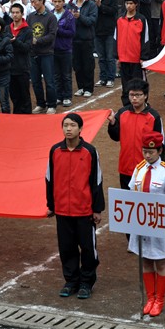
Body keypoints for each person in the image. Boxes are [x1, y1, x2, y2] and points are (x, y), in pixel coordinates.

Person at [46, 113, 104, 300]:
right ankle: (71, 281)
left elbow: (97, 181)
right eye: (65, 125)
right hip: (62, 210)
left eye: (72, 125)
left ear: (80, 129)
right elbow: (49, 179)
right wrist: (51, 205)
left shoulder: (90, 151)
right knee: (67, 248)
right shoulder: (55, 151)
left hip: (84, 211)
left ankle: (86, 282)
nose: (68, 129)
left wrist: (97, 209)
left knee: (88, 248)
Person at [128, 131, 165, 317]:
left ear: (159, 151)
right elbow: (131, 192)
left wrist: (154, 209)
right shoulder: (139, 168)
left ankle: (160, 299)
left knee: (161, 262)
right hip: (141, 223)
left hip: (157, 223)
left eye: (151, 152)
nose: (147, 155)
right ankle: (150, 298)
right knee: (146, 260)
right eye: (144, 152)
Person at [107, 78, 165, 189]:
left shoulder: (154, 117)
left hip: (146, 168)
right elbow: (115, 137)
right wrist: (113, 123)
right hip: (125, 167)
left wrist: (159, 168)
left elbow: (161, 144)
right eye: (131, 95)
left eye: (138, 95)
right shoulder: (122, 113)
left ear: (145, 96)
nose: (134, 98)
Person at [115, 0, 150, 106]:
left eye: (131, 3)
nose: (128, 6)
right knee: (125, 85)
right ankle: (127, 105)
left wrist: (143, 57)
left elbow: (145, 39)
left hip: (136, 60)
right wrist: (117, 57)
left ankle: (143, 104)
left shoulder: (141, 19)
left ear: (136, 4)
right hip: (124, 59)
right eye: (127, 3)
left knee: (140, 84)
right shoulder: (120, 19)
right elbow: (116, 38)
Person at [27, 0, 58, 114]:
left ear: (41, 1)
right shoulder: (30, 16)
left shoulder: (51, 17)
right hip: (33, 53)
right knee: (35, 81)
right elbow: (28, 32)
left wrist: (37, 41)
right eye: (31, 2)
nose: (33, 4)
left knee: (49, 81)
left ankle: (52, 104)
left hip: (46, 53)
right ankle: (40, 104)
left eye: (35, 2)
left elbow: (52, 35)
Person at [68, 0, 98, 98]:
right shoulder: (71, 4)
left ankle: (88, 88)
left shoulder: (91, 4)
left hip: (87, 39)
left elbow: (92, 21)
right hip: (74, 39)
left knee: (87, 65)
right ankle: (80, 87)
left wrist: (80, 16)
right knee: (77, 65)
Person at [7, 3, 32, 114]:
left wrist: (15, 41)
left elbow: (27, 48)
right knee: (14, 95)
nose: (15, 15)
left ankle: (27, 116)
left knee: (24, 95)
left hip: (22, 68)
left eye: (17, 12)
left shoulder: (27, 30)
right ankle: (17, 116)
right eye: (13, 12)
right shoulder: (7, 29)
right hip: (10, 68)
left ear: (22, 14)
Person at [51, 0, 75, 106]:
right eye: (55, 1)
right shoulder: (50, 14)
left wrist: (58, 30)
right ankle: (58, 96)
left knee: (66, 75)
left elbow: (72, 32)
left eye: (59, 1)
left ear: (63, 2)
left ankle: (67, 96)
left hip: (65, 50)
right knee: (56, 75)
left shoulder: (69, 16)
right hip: (53, 49)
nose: (57, 4)